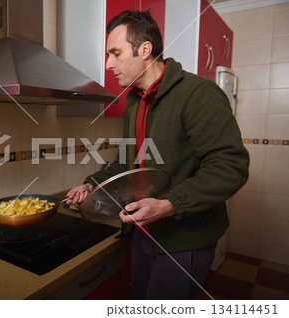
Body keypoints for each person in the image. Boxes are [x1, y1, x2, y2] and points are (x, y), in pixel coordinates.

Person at [65, 10, 249, 300]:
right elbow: (127, 163)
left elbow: (230, 167)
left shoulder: (198, 93)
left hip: (183, 239)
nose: (108, 64)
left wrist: (169, 205)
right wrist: (91, 183)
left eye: (115, 53)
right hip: (143, 232)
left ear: (145, 49)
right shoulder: (134, 103)